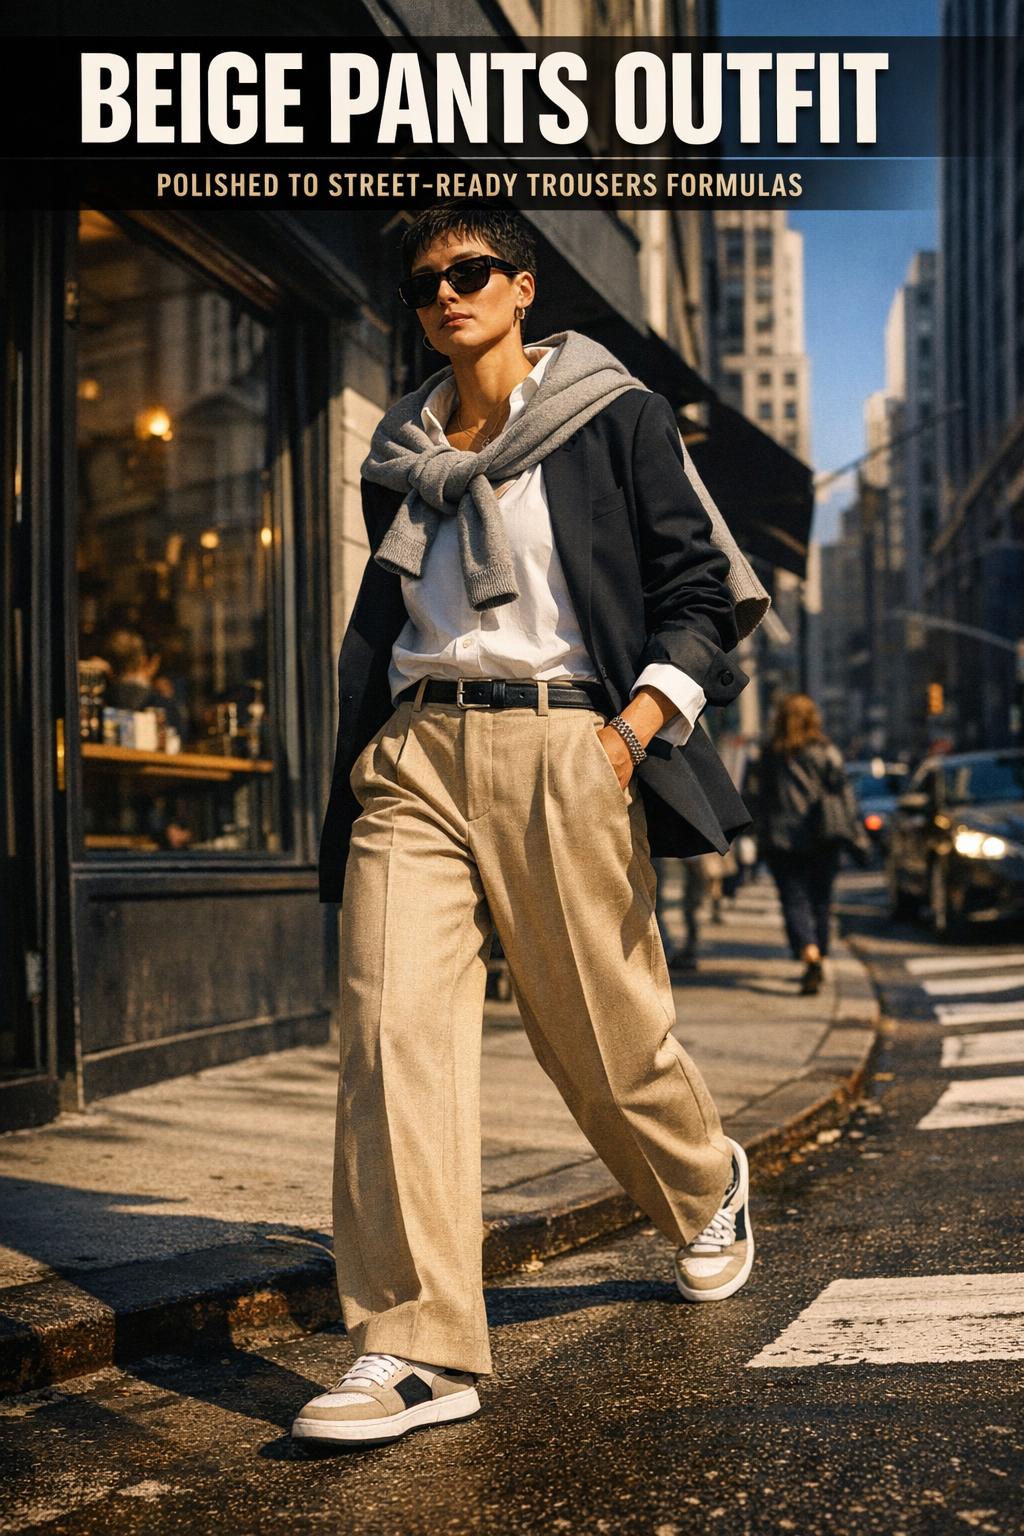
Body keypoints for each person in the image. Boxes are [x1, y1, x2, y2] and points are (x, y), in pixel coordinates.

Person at [294, 204, 769, 1450]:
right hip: (414, 755)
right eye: (423, 285)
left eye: (469, 273)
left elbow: (696, 589)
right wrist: (364, 758)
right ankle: (410, 1345)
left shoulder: (612, 413)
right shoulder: (398, 448)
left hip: (568, 740)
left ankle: (704, 1182)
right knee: (391, 1037)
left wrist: (629, 733)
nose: (445, 295)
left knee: (600, 1037)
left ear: (521, 285)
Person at [744, 693, 867, 996]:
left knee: (793, 899)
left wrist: (755, 833)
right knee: (822, 901)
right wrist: (853, 831)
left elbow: (754, 798)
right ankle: (820, 955)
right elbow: (844, 795)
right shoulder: (826, 752)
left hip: (782, 840)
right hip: (823, 836)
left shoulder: (769, 754)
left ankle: (808, 950)